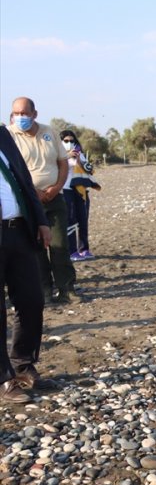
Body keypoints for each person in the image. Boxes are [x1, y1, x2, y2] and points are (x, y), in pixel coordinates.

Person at [0, 125, 54, 403]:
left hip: (19, 230)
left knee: (32, 299)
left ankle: (22, 363)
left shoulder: (3, 136)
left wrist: (41, 221)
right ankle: (4, 378)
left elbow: (23, 180)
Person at [8, 98, 76, 304]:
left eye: (24, 113)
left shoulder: (50, 132)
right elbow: (10, 169)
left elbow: (63, 162)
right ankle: (44, 289)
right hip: (27, 201)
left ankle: (67, 289)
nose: (20, 117)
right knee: (36, 247)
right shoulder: (8, 136)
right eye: (16, 113)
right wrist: (33, 191)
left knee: (60, 245)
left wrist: (56, 187)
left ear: (34, 114)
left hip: (55, 197)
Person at [60, 129, 100, 261]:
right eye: (66, 141)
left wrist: (78, 159)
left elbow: (89, 169)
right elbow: (54, 165)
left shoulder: (80, 154)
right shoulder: (58, 155)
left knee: (83, 219)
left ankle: (84, 249)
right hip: (66, 189)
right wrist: (67, 156)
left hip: (81, 190)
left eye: (72, 141)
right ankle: (72, 251)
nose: (69, 143)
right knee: (70, 220)